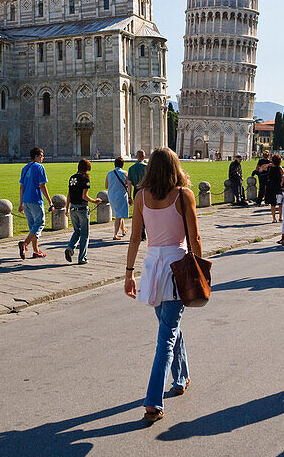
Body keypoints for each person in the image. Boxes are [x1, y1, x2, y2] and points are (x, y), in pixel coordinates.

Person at [123, 148, 200, 423]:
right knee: (167, 334)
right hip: (176, 265)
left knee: (169, 326)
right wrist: (200, 268)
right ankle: (154, 400)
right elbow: (195, 237)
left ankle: (181, 376)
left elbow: (134, 238)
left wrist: (129, 272)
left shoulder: (141, 197)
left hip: (153, 265)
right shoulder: (183, 195)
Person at [18, 147, 52, 259]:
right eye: (41, 156)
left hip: (26, 200)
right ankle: (24, 244)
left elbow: (21, 187)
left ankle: (36, 251)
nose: (43, 158)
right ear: (37, 156)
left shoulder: (25, 168)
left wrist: (21, 203)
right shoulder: (40, 167)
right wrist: (50, 201)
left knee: (33, 227)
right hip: (35, 199)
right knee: (40, 223)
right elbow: (42, 185)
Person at [65, 159, 99, 264]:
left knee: (77, 231)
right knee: (84, 234)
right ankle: (82, 258)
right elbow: (84, 196)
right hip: (82, 209)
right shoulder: (85, 179)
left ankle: (70, 248)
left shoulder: (72, 178)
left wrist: (66, 208)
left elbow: (69, 195)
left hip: (73, 209)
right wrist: (94, 201)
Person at [106, 157, 131, 240]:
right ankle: (115, 234)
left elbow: (106, 186)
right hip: (121, 195)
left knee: (119, 214)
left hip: (111, 195)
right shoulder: (125, 173)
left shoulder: (109, 173)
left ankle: (123, 230)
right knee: (119, 216)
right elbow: (128, 184)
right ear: (122, 165)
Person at [267, 154, 283, 222]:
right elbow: (282, 177)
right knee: (280, 203)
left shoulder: (270, 168)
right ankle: (280, 217)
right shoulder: (280, 168)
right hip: (278, 186)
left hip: (271, 186)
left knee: (272, 204)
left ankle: (274, 218)